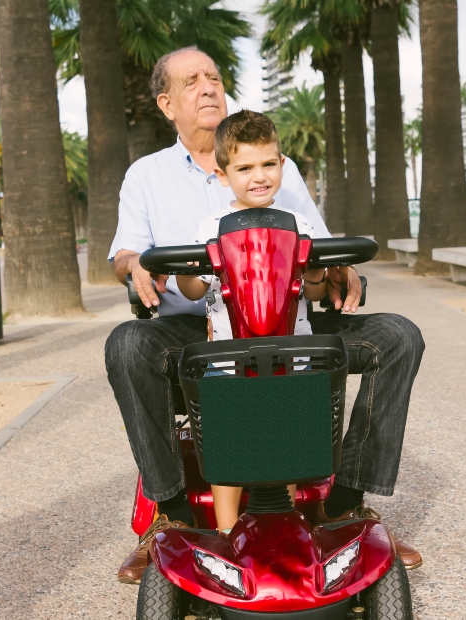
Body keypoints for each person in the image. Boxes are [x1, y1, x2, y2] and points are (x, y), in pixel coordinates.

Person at [106, 46, 425, 585]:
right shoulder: (147, 175)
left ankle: (345, 504)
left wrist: (342, 271)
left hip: (290, 317)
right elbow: (125, 255)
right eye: (191, 82)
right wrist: (137, 265)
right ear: (166, 104)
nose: (207, 87)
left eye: (213, 77)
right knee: (128, 344)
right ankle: (170, 518)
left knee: (397, 337)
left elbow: (319, 247)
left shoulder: (282, 167)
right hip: (203, 327)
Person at [175, 110, 329, 533]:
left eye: (268, 164)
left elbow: (314, 291)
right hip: (229, 359)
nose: (258, 176)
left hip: (293, 354)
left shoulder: (300, 226)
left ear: (282, 165)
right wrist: (185, 268)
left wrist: (316, 267)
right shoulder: (211, 228)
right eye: (244, 168)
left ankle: (286, 524)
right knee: (229, 445)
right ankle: (227, 533)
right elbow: (191, 290)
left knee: (290, 441)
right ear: (223, 176)